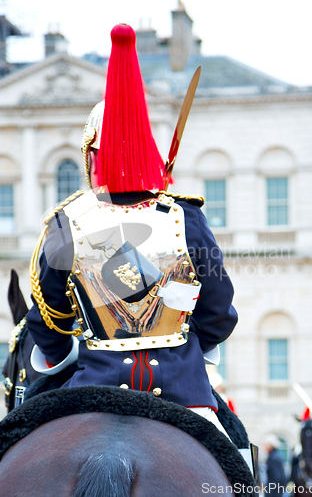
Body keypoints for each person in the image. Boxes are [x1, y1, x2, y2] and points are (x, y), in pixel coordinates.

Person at [26, 23, 238, 438]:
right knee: (240, 457)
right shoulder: (185, 217)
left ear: (91, 157)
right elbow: (218, 314)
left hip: (93, 387)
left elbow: (46, 322)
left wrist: (65, 353)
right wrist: (183, 338)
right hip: (185, 391)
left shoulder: (67, 222)